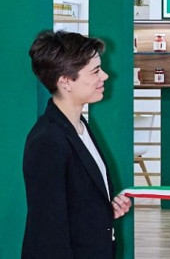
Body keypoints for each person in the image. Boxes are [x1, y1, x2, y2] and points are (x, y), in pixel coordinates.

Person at [22, 30, 133, 258]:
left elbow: (74, 202)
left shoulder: (79, 126)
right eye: (95, 71)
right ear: (65, 82)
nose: (104, 76)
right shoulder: (47, 140)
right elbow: (48, 232)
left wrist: (105, 210)